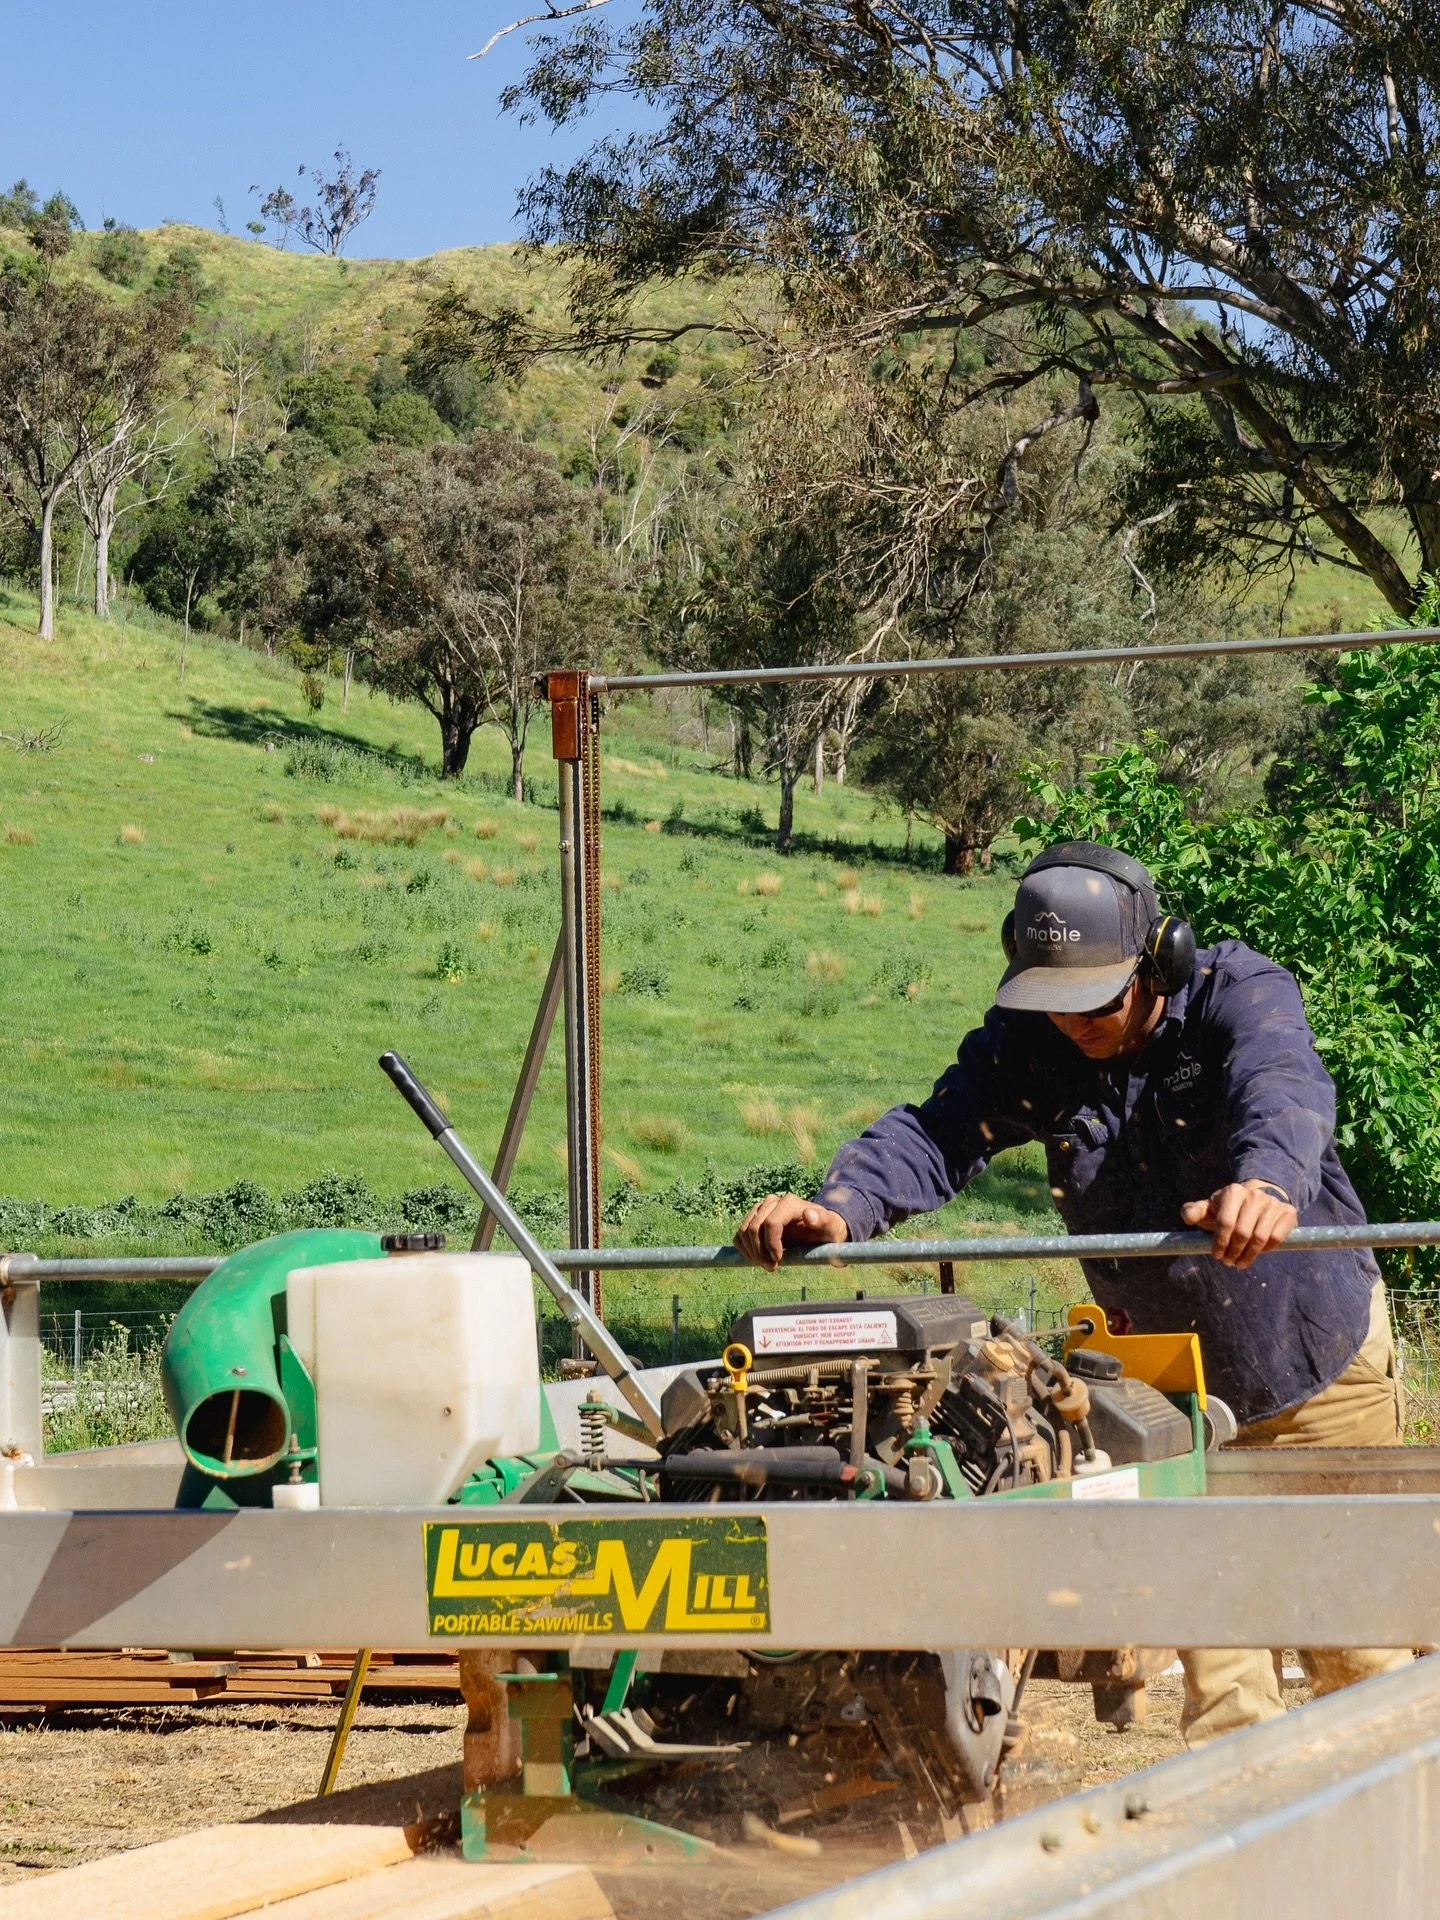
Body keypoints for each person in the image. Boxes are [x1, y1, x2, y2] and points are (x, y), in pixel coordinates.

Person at [735, 840, 1409, 1744]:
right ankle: (1240, 1849)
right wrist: (839, 1209)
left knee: (1357, 1651)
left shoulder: (1239, 996)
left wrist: (1269, 1184)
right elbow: (937, 1134)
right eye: (1053, 1003)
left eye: (1099, 998)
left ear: (1158, 959)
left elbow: (1284, 1089)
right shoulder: (1034, 1043)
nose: (1076, 1023)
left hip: (1313, 1357)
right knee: (1225, 1682)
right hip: (1172, 1392)